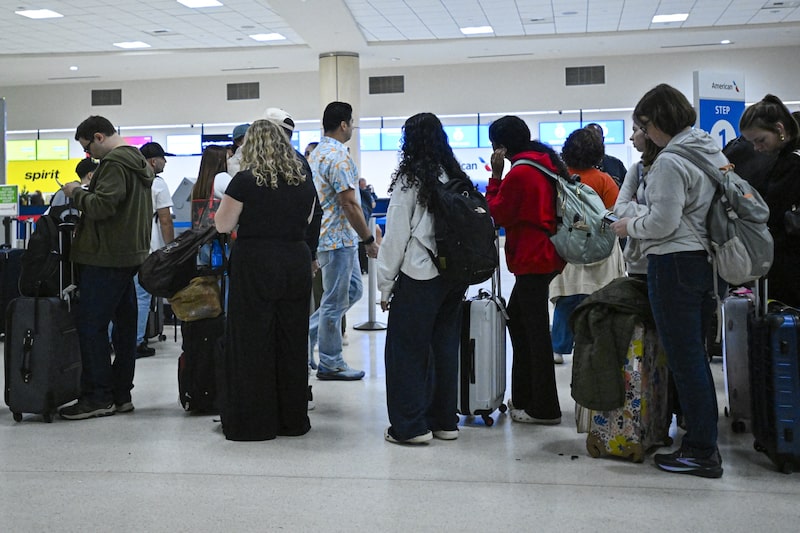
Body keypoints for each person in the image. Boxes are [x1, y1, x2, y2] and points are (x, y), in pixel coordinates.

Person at [610, 83, 724, 478]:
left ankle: (700, 450)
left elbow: (662, 222)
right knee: (695, 356)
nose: (642, 134)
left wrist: (628, 225)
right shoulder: (706, 148)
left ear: (656, 121)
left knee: (685, 358)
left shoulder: (671, 162)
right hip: (699, 263)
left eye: (643, 124)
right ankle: (702, 439)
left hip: (673, 262)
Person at [214, 119, 319, 441]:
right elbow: (311, 220)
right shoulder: (303, 181)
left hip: (255, 260)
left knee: (252, 341)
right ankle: (291, 419)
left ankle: (254, 422)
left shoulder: (244, 181)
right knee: (291, 339)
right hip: (294, 259)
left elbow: (222, 224)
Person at [376, 112, 469, 445]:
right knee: (444, 347)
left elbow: (396, 237)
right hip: (454, 276)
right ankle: (445, 421)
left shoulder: (411, 179)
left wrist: (385, 285)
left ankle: (410, 427)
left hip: (421, 274)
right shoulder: (454, 174)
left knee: (406, 350)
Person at [58, 115, 154, 420]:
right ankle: (120, 394)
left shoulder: (113, 163)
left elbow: (103, 206)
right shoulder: (137, 161)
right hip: (128, 255)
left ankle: (97, 397)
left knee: (91, 327)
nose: (89, 155)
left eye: (88, 148)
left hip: (105, 257)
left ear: (99, 137)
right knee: (124, 330)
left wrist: (77, 193)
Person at [486, 115, 566, 425]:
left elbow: (497, 212)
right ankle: (524, 395)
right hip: (545, 255)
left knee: (532, 331)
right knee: (519, 321)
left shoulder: (520, 173)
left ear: (501, 148)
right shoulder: (543, 163)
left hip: (532, 258)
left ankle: (544, 407)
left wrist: (495, 177)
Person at [307, 101, 379, 381]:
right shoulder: (338, 157)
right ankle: (331, 362)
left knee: (350, 293)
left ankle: (308, 338)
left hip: (328, 237)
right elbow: (349, 203)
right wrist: (368, 238)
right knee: (335, 302)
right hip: (337, 240)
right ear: (344, 125)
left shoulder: (316, 154)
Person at [550, 128, 623, 364]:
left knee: (566, 297)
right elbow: (615, 214)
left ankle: (559, 347)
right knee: (599, 297)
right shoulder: (605, 180)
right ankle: (596, 343)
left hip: (568, 248)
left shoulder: (558, 179)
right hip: (601, 248)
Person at [739, 94, 800, 307]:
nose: (757, 148)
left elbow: (769, 211)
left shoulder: (791, 164)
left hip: (789, 264)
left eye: (760, 140)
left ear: (780, 130)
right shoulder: (783, 160)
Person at [133, 142, 175, 358]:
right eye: (162, 158)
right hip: (148, 250)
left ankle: (116, 340)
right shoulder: (157, 184)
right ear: (152, 161)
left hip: (126, 249)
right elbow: (165, 220)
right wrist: (171, 249)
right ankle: (136, 342)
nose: (165, 162)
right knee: (142, 296)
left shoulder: (130, 179)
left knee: (125, 297)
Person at [614, 121, 662, 279]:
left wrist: (636, 213)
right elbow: (619, 208)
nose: (631, 137)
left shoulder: (672, 166)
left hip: (666, 256)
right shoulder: (637, 170)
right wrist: (653, 214)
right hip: (638, 260)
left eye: (635, 130)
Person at [585, 122, 627, 188]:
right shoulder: (576, 165)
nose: (593, 142)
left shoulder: (616, 164)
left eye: (596, 138)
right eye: (589, 139)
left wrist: (614, 185)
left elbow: (628, 189)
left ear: (603, 139)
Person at [358, 177, 378, 273]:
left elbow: (373, 204)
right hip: (363, 222)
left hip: (366, 220)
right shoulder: (362, 194)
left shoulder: (365, 193)